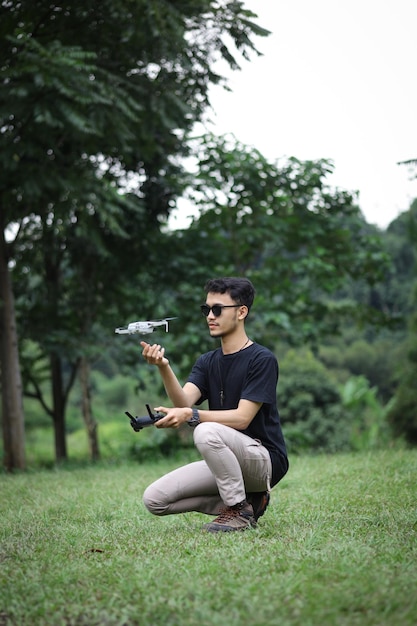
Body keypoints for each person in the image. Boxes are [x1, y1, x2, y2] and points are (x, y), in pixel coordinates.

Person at [140, 277, 288, 532]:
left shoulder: (261, 359)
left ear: (242, 312)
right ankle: (250, 503)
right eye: (206, 309)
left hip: (264, 460)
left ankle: (239, 511)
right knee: (154, 500)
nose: (210, 315)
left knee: (205, 430)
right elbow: (184, 402)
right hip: (228, 458)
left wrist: (191, 414)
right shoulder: (207, 361)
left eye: (217, 309)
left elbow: (243, 418)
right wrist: (164, 368)